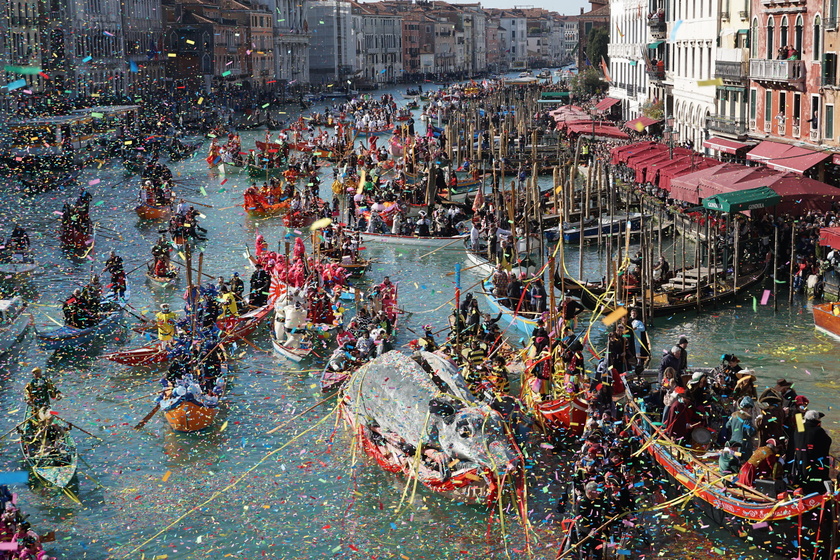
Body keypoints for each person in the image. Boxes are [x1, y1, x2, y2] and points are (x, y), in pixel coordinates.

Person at [792, 410, 833, 493]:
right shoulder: (818, 430)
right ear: (816, 420)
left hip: (800, 458)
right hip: (813, 461)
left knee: (802, 476)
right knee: (814, 478)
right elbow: (827, 442)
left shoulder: (799, 428)